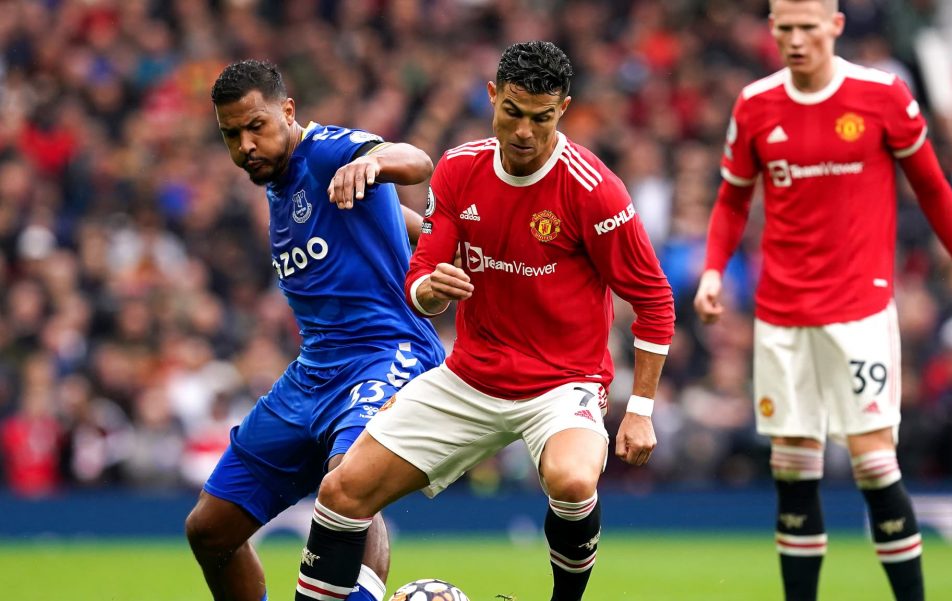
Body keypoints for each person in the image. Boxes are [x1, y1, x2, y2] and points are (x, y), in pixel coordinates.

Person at [292, 41, 675, 601]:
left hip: (562, 384)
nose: (524, 131)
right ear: (493, 96)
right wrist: (430, 291)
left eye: (541, 118)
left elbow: (654, 297)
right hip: (471, 376)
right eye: (512, 112)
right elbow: (422, 274)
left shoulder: (594, 189)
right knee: (342, 491)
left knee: (572, 481)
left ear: (562, 110)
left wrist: (640, 410)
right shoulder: (459, 168)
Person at [692, 2, 952, 600]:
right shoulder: (755, 103)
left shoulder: (882, 95)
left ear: (835, 26)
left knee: (873, 463)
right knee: (792, 466)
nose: (795, 40)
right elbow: (733, 198)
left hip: (859, 310)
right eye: (784, 29)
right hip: (781, 314)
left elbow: (935, 190)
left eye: (808, 27)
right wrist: (713, 270)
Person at [185, 59, 445, 601]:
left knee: (348, 480)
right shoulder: (278, 183)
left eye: (256, 126)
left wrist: (371, 164)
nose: (246, 145)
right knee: (209, 531)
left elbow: (413, 160)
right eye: (231, 134)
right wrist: (435, 243)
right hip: (314, 373)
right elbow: (395, 221)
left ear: (287, 111)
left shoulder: (325, 150)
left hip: (385, 353)